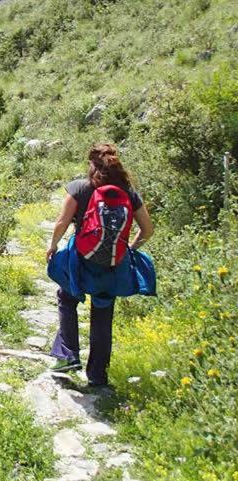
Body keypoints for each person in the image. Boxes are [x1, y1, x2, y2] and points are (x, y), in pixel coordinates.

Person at [45, 144, 155, 388]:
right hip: (114, 264)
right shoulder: (129, 192)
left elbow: (62, 222)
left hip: (81, 261)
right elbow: (148, 229)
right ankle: (98, 376)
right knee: (103, 314)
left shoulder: (80, 188)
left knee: (66, 297)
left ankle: (68, 355)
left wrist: (52, 246)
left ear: (91, 163)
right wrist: (129, 249)